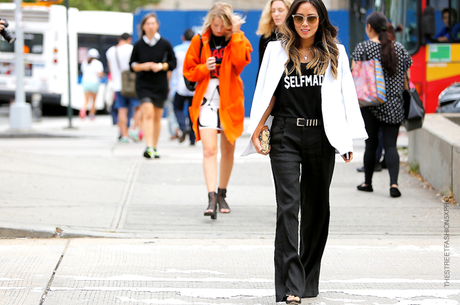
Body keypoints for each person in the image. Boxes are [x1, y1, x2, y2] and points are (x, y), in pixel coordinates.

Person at [242, 0, 367, 302]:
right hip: (285, 133)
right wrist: (257, 129)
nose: (304, 24)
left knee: (318, 209)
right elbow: (267, 93)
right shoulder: (276, 50)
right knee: (288, 207)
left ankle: (308, 279)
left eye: (311, 18)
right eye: (299, 18)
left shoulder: (335, 52)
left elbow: (346, 95)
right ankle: (290, 286)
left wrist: (348, 139)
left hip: (321, 135)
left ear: (320, 19)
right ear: (292, 20)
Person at [183, 2, 252, 219]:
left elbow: (242, 62)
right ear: (210, 22)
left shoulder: (236, 39)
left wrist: (237, 33)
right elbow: (189, 71)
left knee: (228, 148)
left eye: (223, 26)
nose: (219, 30)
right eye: (215, 25)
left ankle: (223, 193)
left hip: (230, 99)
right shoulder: (199, 40)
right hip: (206, 99)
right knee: (210, 150)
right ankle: (211, 197)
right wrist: (205, 67)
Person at [352, 12, 412, 198]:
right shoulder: (399, 49)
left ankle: (367, 182)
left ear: (369, 27)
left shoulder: (363, 48)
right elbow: (406, 81)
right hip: (394, 104)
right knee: (391, 146)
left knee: (371, 145)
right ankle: (393, 184)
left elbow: (355, 74)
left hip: (370, 104)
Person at [129, 12, 177, 159]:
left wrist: (161, 66)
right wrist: (145, 66)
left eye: (153, 23)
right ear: (143, 27)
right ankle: (148, 146)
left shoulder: (165, 44)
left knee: (157, 117)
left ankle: (154, 146)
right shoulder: (138, 45)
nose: (150, 26)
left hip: (160, 85)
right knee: (147, 113)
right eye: (147, 24)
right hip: (143, 85)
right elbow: (132, 65)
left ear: (157, 25)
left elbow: (173, 63)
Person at [106, 33, 142, 143]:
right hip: (132, 85)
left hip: (118, 85)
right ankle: (134, 128)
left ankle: (124, 135)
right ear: (129, 39)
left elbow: (110, 69)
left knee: (122, 111)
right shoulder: (132, 48)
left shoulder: (110, 51)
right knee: (138, 108)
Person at [172, 29, 196, 145]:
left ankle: (183, 125)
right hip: (193, 85)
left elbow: (172, 68)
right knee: (192, 111)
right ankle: (192, 138)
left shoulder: (176, 50)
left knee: (177, 107)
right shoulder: (197, 50)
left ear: (183, 38)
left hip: (180, 84)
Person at [256, 0, 293, 67]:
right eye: (273, 11)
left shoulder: (297, 35)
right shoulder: (266, 36)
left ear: (290, 11)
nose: (276, 14)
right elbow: (262, 67)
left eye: (280, 10)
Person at [80, 48, 105, 120]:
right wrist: (104, 75)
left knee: (86, 100)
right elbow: (99, 73)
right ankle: (92, 115)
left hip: (85, 82)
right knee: (93, 100)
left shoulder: (84, 62)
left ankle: (82, 110)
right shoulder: (97, 63)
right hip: (94, 83)